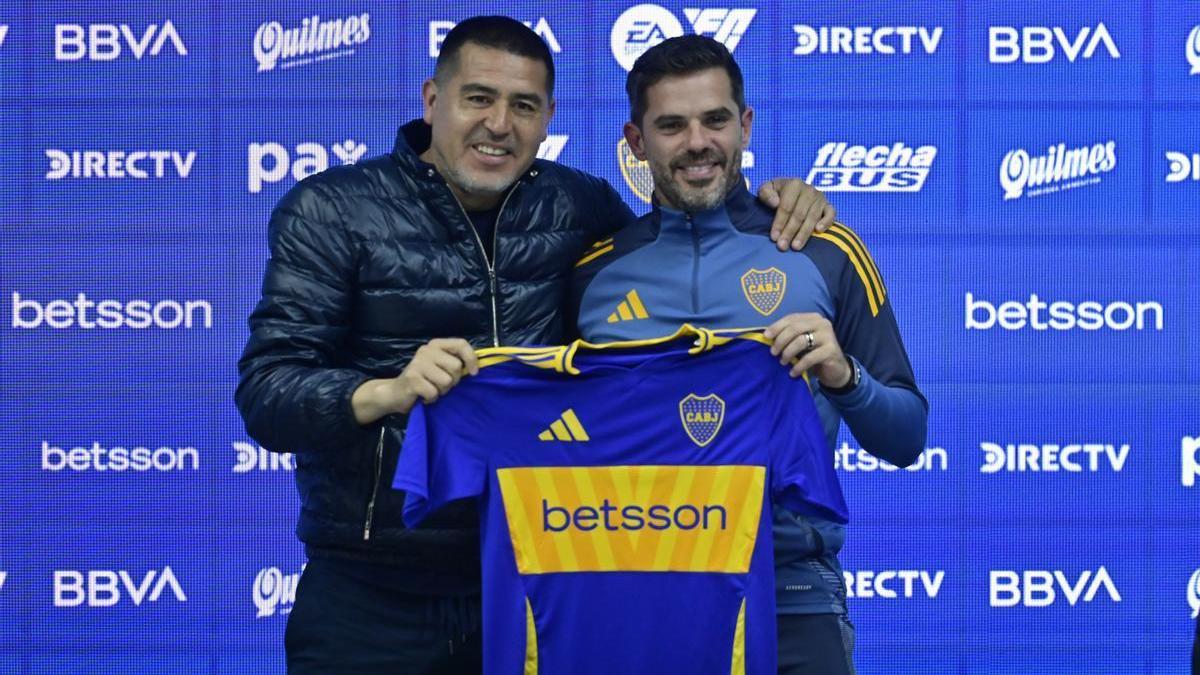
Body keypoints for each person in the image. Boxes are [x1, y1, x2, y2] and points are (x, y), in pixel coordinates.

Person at [236, 17, 835, 674]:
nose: (500, 124)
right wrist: (387, 391)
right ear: (433, 100)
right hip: (372, 591)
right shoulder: (333, 210)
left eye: (523, 106)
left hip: (542, 580)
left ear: (549, 117)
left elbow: (675, 241)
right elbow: (268, 394)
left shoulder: (581, 207)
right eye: (478, 98)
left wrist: (771, 200)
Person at [568, 35, 929, 675]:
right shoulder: (592, 274)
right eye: (671, 125)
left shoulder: (822, 248)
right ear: (635, 140)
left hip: (792, 600)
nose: (698, 142)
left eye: (715, 119)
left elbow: (906, 437)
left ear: (746, 124)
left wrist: (843, 375)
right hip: (638, 597)